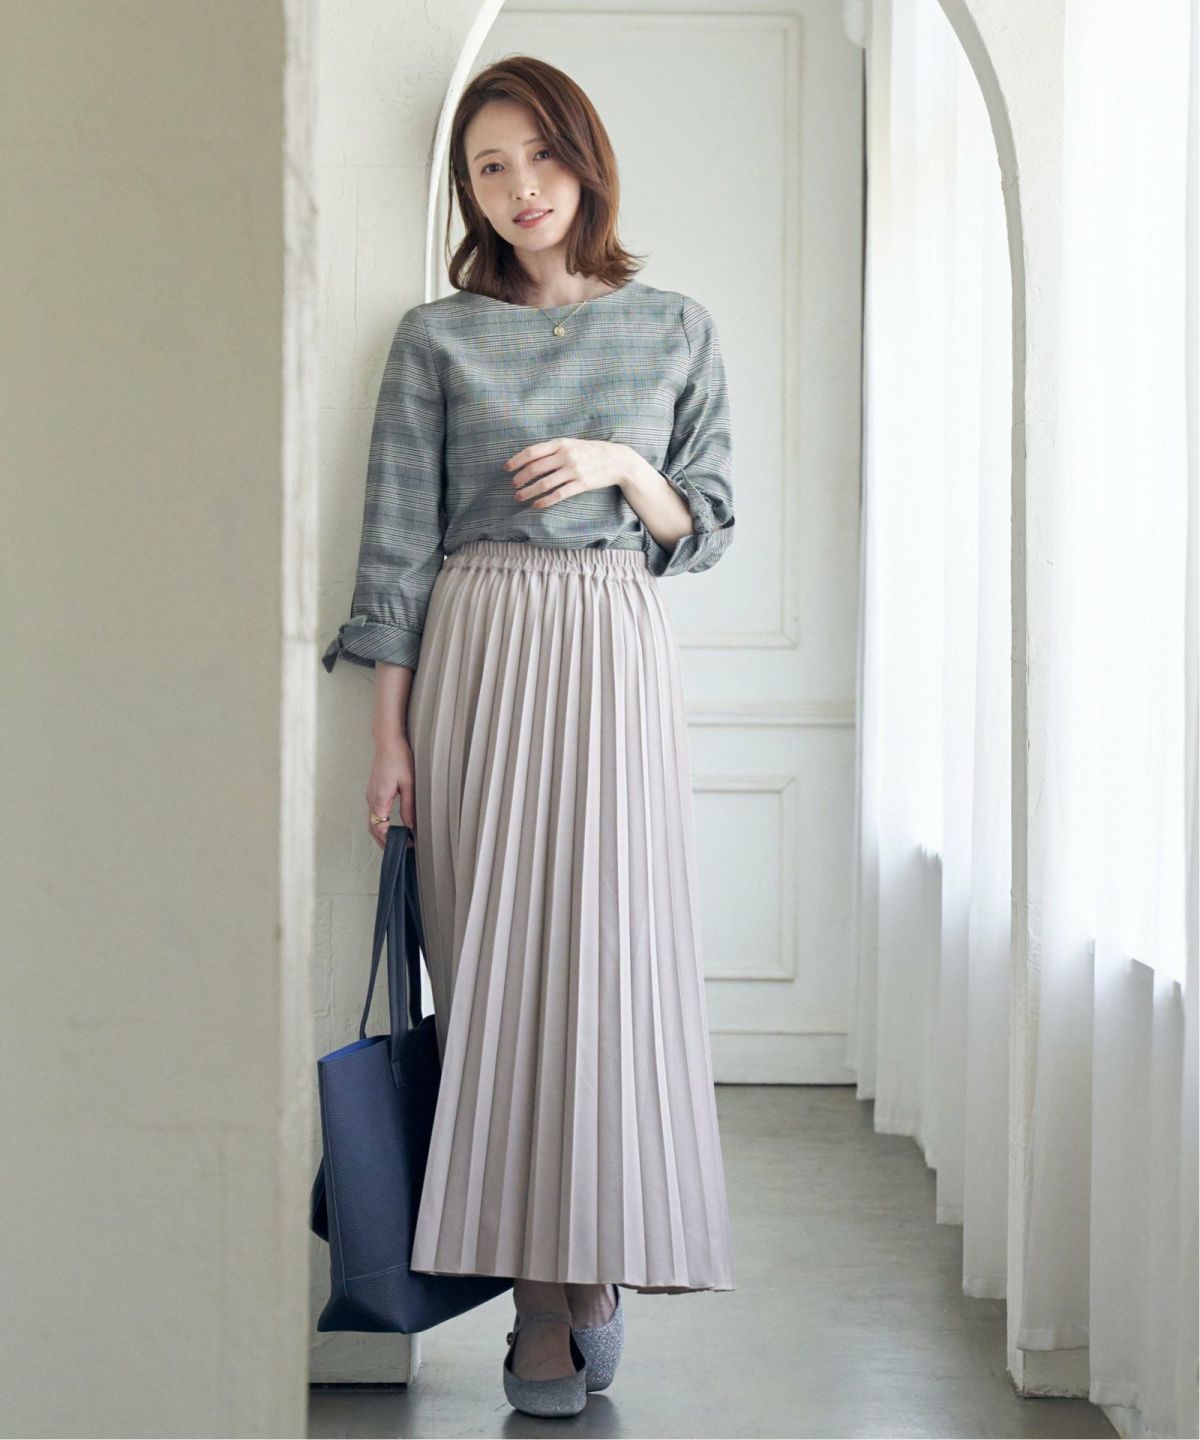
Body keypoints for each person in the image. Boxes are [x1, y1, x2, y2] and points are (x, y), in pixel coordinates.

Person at [322, 53, 737, 1418]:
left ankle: (587, 1277)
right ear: (467, 189)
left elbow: (707, 525)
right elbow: (395, 546)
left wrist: (622, 465)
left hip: (610, 651)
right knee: (493, 984)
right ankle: (544, 1300)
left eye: (541, 157)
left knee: (606, 977)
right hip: (478, 654)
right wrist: (389, 740)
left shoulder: (673, 327)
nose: (521, 190)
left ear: (586, 159)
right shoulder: (437, 338)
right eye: (489, 168)